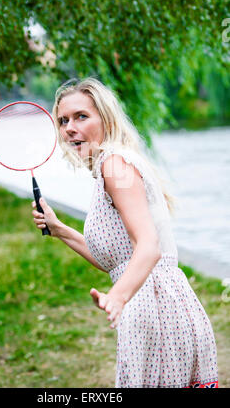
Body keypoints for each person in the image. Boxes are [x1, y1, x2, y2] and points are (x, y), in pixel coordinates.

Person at [32, 77, 219, 388]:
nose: (69, 128)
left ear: (105, 118)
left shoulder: (114, 165)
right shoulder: (111, 165)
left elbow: (149, 246)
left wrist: (117, 296)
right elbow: (119, 262)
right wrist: (59, 229)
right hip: (150, 304)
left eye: (81, 116)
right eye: (63, 120)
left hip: (156, 308)